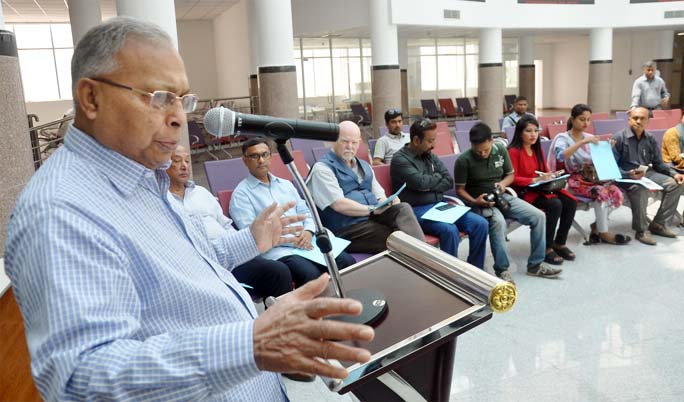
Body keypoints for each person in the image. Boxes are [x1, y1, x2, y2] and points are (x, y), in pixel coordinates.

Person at [4, 18, 375, 401]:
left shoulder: (145, 176)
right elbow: (83, 381)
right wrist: (251, 344)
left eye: (183, 99)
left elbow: (192, 264)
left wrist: (250, 240)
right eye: (159, 96)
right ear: (91, 98)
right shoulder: (62, 211)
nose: (180, 117)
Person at [167, 144, 294, 298]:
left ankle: (280, 320)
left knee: (278, 271)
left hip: (231, 254)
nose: (184, 166)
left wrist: (243, 247)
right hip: (202, 264)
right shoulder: (163, 202)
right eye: (177, 161)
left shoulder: (201, 193)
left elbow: (226, 225)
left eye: (187, 161)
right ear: (163, 164)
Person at [230, 137, 356, 285]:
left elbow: (306, 212)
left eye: (265, 155)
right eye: (254, 156)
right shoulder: (241, 195)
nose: (261, 160)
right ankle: (319, 308)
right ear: (245, 160)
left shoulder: (285, 185)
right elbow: (250, 234)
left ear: (271, 157)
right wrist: (293, 241)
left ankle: (345, 303)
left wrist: (308, 232)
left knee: (347, 262)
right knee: (311, 274)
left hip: (308, 241)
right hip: (279, 251)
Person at [454, 123, 562, 281]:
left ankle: (535, 265)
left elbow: (510, 175)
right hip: (482, 201)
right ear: (471, 145)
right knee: (498, 223)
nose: (483, 153)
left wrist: (503, 184)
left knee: (538, 216)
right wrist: (475, 201)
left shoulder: (500, 150)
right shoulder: (464, 161)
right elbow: (460, 190)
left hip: (502, 195)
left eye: (486, 149)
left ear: (492, 141)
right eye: (478, 151)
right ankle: (502, 270)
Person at [307, 120, 425, 254]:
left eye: (354, 142)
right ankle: (428, 262)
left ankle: (427, 257)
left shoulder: (364, 166)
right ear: (334, 140)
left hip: (371, 219)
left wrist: (388, 202)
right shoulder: (322, 169)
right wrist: (372, 210)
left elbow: (379, 195)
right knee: (396, 237)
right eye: (345, 141)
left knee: (402, 208)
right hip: (347, 229)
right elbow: (339, 204)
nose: (350, 147)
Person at [390, 119, 489, 268]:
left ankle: (475, 269)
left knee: (480, 223)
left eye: (434, 140)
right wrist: (435, 180)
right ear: (416, 140)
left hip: (439, 205)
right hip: (416, 210)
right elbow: (419, 183)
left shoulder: (430, 155)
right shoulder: (400, 160)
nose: (434, 145)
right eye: (430, 141)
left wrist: (428, 183)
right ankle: (449, 275)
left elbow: (448, 180)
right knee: (449, 230)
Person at [548, 104, 631, 245]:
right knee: (601, 193)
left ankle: (597, 226)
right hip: (572, 179)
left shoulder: (591, 137)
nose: (586, 123)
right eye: (582, 119)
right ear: (572, 120)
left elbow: (599, 162)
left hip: (590, 179)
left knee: (616, 193)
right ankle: (604, 233)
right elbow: (561, 156)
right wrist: (582, 142)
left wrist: (607, 149)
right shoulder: (563, 138)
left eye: (588, 120)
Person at [508, 115, 578, 265]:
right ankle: (546, 248)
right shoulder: (513, 151)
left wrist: (550, 176)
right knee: (555, 204)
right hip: (524, 193)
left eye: (536, 131)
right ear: (520, 133)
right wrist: (534, 180)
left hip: (540, 189)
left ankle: (560, 243)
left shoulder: (536, 149)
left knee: (571, 201)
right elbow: (511, 178)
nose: (533, 134)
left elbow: (544, 171)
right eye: (528, 131)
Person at [612, 106, 684, 245]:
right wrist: (628, 174)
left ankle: (659, 224)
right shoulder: (619, 138)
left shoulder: (649, 138)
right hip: (625, 177)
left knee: (675, 184)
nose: (638, 121)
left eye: (642, 118)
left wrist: (674, 174)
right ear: (629, 120)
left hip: (646, 174)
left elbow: (658, 163)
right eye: (635, 118)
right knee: (640, 189)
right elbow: (611, 167)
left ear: (648, 121)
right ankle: (641, 230)